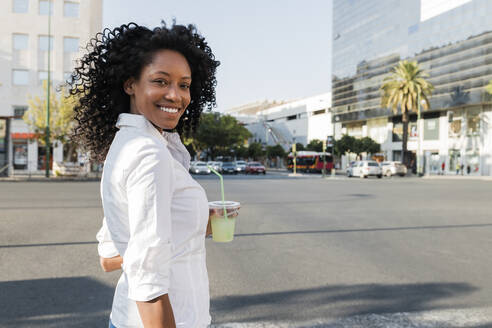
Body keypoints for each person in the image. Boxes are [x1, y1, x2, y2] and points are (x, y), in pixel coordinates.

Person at [69, 22, 222, 328]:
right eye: (160, 81)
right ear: (130, 84)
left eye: (184, 84)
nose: (175, 95)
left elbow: (111, 255)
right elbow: (147, 274)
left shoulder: (135, 144)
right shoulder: (148, 155)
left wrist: (198, 224)